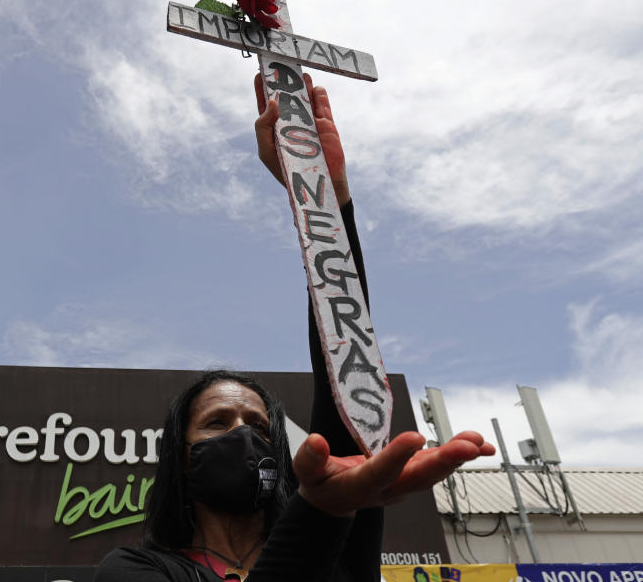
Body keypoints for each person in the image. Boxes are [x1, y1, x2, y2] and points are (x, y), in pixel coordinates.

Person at [94, 74, 495, 582]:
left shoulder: (341, 535)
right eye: (218, 424)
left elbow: (344, 367)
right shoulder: (135, 568)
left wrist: (325, 202)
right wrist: (322, 512)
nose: (243, 435)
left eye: (259, 427)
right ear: (182, 457)